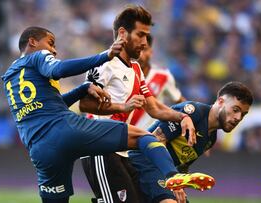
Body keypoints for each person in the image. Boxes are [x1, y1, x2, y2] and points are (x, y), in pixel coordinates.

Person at [1, 26, 212, 203]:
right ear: (32, 42)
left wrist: (83, 89)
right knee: (144, 137)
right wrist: (105, 55)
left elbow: (55, 105)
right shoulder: (38, 57)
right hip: (65, 129)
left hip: (40, 150)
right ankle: (173, 177)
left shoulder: (10, 78)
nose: (54, 50)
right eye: (51, 43)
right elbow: (58, 70)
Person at [78, 6, 200, 203]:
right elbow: (85, 104)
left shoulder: (135, 68)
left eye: (146, 36)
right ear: (123, 33)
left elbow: (153, 107)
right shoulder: (103, 64)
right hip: (100, 149)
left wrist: (183, 117)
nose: (144, 43)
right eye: (140, 35)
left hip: (124, 150)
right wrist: (122, 107)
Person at [128, 81, 253, 203]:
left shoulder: (211, 139)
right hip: (144, 162)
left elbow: (183, 166)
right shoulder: (192, 112)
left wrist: (184, 181)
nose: (238, 118)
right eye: (235, 110)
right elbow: (154, 142)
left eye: (243, 114)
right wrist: (173, 178)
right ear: (220, 102)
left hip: (165, 174)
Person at [130, 35, 186, 130]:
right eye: (137, 49)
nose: (141, 55)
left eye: (144, 49)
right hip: (123, 136)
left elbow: (180, 101)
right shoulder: (121, 73)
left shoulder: (163, 76)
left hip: (150, 137)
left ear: (151, 52)